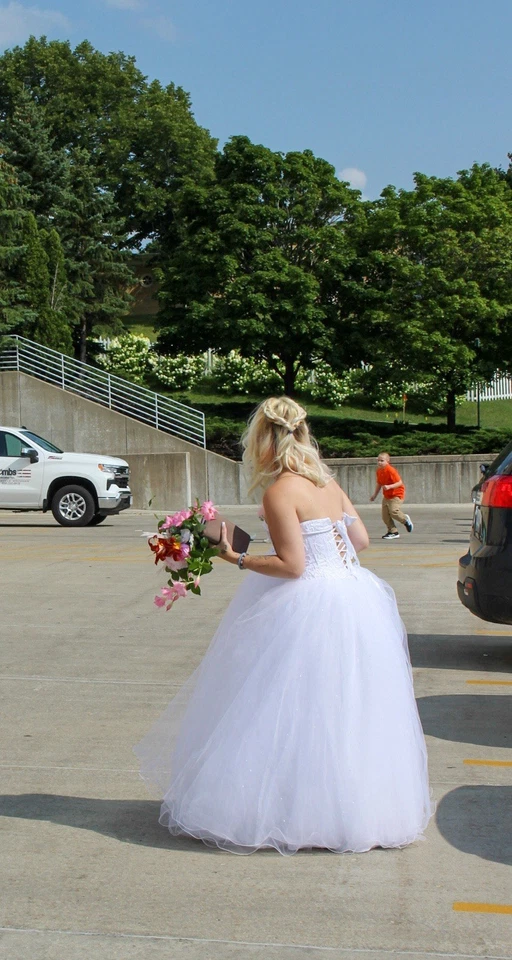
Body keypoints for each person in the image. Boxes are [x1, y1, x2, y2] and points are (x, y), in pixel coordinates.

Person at [135, 398, 433, 855]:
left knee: (287, 706)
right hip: (355, 596)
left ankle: (290, 810)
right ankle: (350, 812)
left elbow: (292, 566)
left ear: (264, 441)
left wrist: (235, 557)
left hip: (310, 602)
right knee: (346, 709)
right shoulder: (327, 482)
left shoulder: (280, 492)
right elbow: (362, 540)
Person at [370, 452, 413, 540]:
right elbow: (379, 483)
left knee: (394, 511)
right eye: (378, 461)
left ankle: (405, 520)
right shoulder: (379, 471)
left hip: (396, 494)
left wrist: (390, 486)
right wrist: (374, 495)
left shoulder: (391, 470)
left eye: (382, 461)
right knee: (385, 516)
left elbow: (399, 482)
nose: (379, 463)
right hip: (387, 496)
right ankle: (393, 532)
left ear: (387, 461)